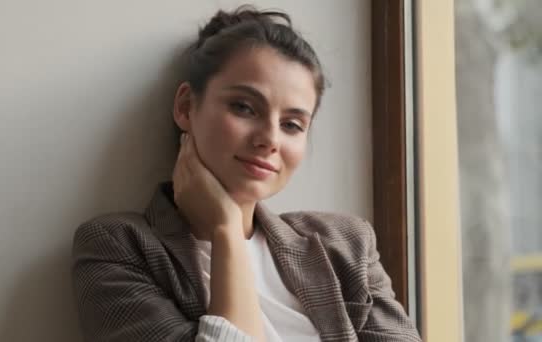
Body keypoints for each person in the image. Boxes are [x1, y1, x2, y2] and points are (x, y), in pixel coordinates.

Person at [71, 5, 422, 342]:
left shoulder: (345, 244)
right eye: (244, 107)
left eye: (292, 124)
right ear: (185, 107)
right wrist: (225, 230)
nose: (269, 139)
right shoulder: (118, 248)